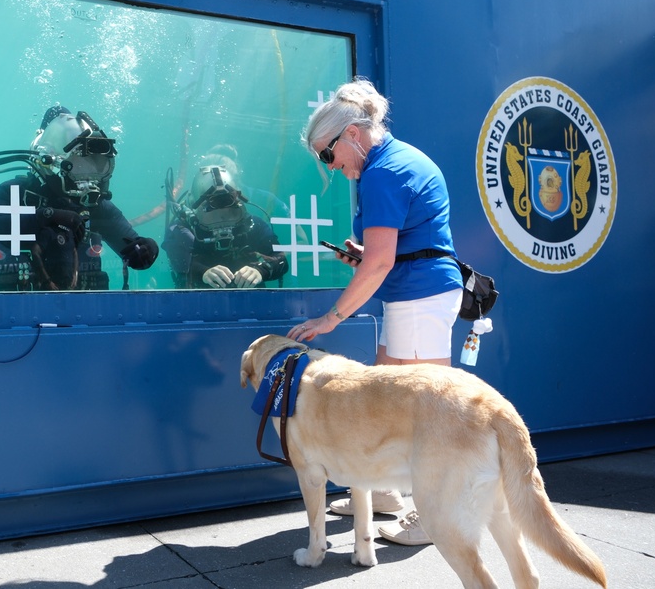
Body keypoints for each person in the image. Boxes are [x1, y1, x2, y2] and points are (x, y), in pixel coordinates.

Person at [285, 78, 463, 547]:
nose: (329, 165)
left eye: (328, 154)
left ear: (354, 135)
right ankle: (382, 490)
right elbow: (385, 253)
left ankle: (435, 515)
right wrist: (363, 256)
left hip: (420, 297)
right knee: (386, 398)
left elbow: (383, 261)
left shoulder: (384, 171)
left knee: (428, 411)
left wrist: (330, 319)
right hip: (414, 294)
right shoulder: (390, 162)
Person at [0, 106, 158, 291]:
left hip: (82, 310)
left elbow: (133, 251)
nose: (88, 180)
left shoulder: (94, 206)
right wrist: (47, 215)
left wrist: (146, 249)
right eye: (78, 166)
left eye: (97, 168)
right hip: (16, 309)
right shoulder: (15, 193)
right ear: (50, 161)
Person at [162, 164, 288, 289]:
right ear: (193, 212)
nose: (222, 222)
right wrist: (203, 272)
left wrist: (261, 270)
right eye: (212, 215)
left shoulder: (253, 225)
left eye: (231, 213)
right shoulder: (182, 229)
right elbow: (177, 259)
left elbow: (280, 260)